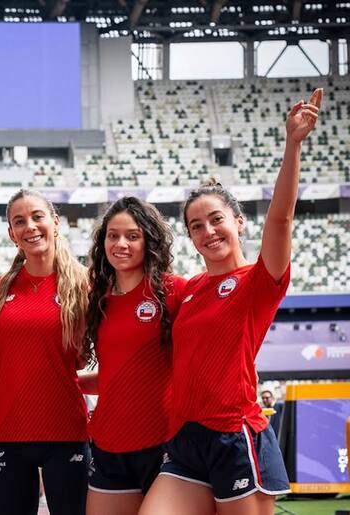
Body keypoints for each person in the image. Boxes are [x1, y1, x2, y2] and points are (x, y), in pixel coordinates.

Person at [140, 88, 322, 515]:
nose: (208, 231)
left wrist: (291, 145)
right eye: (196, 226)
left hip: (234, 435)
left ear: (238, 222)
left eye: (216, 219)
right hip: (186, 438)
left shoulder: (259, 281)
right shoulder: (189, 290)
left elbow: (280, 219)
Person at [0, 189, 90, 515]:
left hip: (66, 430)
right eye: (19, 221)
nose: (29, 226)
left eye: (37, 217)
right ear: (11, 233)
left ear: (55, 223)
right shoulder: (2, 286)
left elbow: (90, 356)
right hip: (7, 432)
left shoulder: (84, 284)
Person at [84, 197, 187, 515]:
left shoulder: (175, 292)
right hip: (108, 444)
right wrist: (66, 385)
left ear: (149, 240)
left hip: (164, 445)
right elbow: (118, 375)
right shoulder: (98, 300)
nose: (120, 244)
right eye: (112, 235)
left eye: (132, 235)